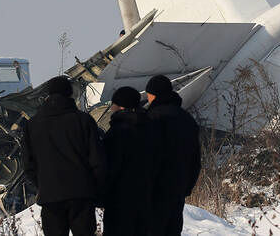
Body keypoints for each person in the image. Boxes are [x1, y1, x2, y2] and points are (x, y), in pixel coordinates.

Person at [23, 76, 105, 236]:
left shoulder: (32, 125)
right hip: (81, 194)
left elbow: (28, 165)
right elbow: (97, 160)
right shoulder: (83, 121)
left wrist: (43, 184)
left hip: (50, 196)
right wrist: (95, 188)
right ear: (70, 94)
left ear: (48, 94)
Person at [145, 75, 201, 236]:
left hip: (154, 189)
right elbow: (195, 160)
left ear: (153, 94)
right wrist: (186, 187)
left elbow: (145, 155)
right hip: (178, 188)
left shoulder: (151, 118)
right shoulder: (188, 120)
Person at [102, 86, 156, 236]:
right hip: (146, 196)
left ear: (121, 106)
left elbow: (111, 166)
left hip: (119, 198)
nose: (111, 108)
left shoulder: (117, 132)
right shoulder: (151, 128)